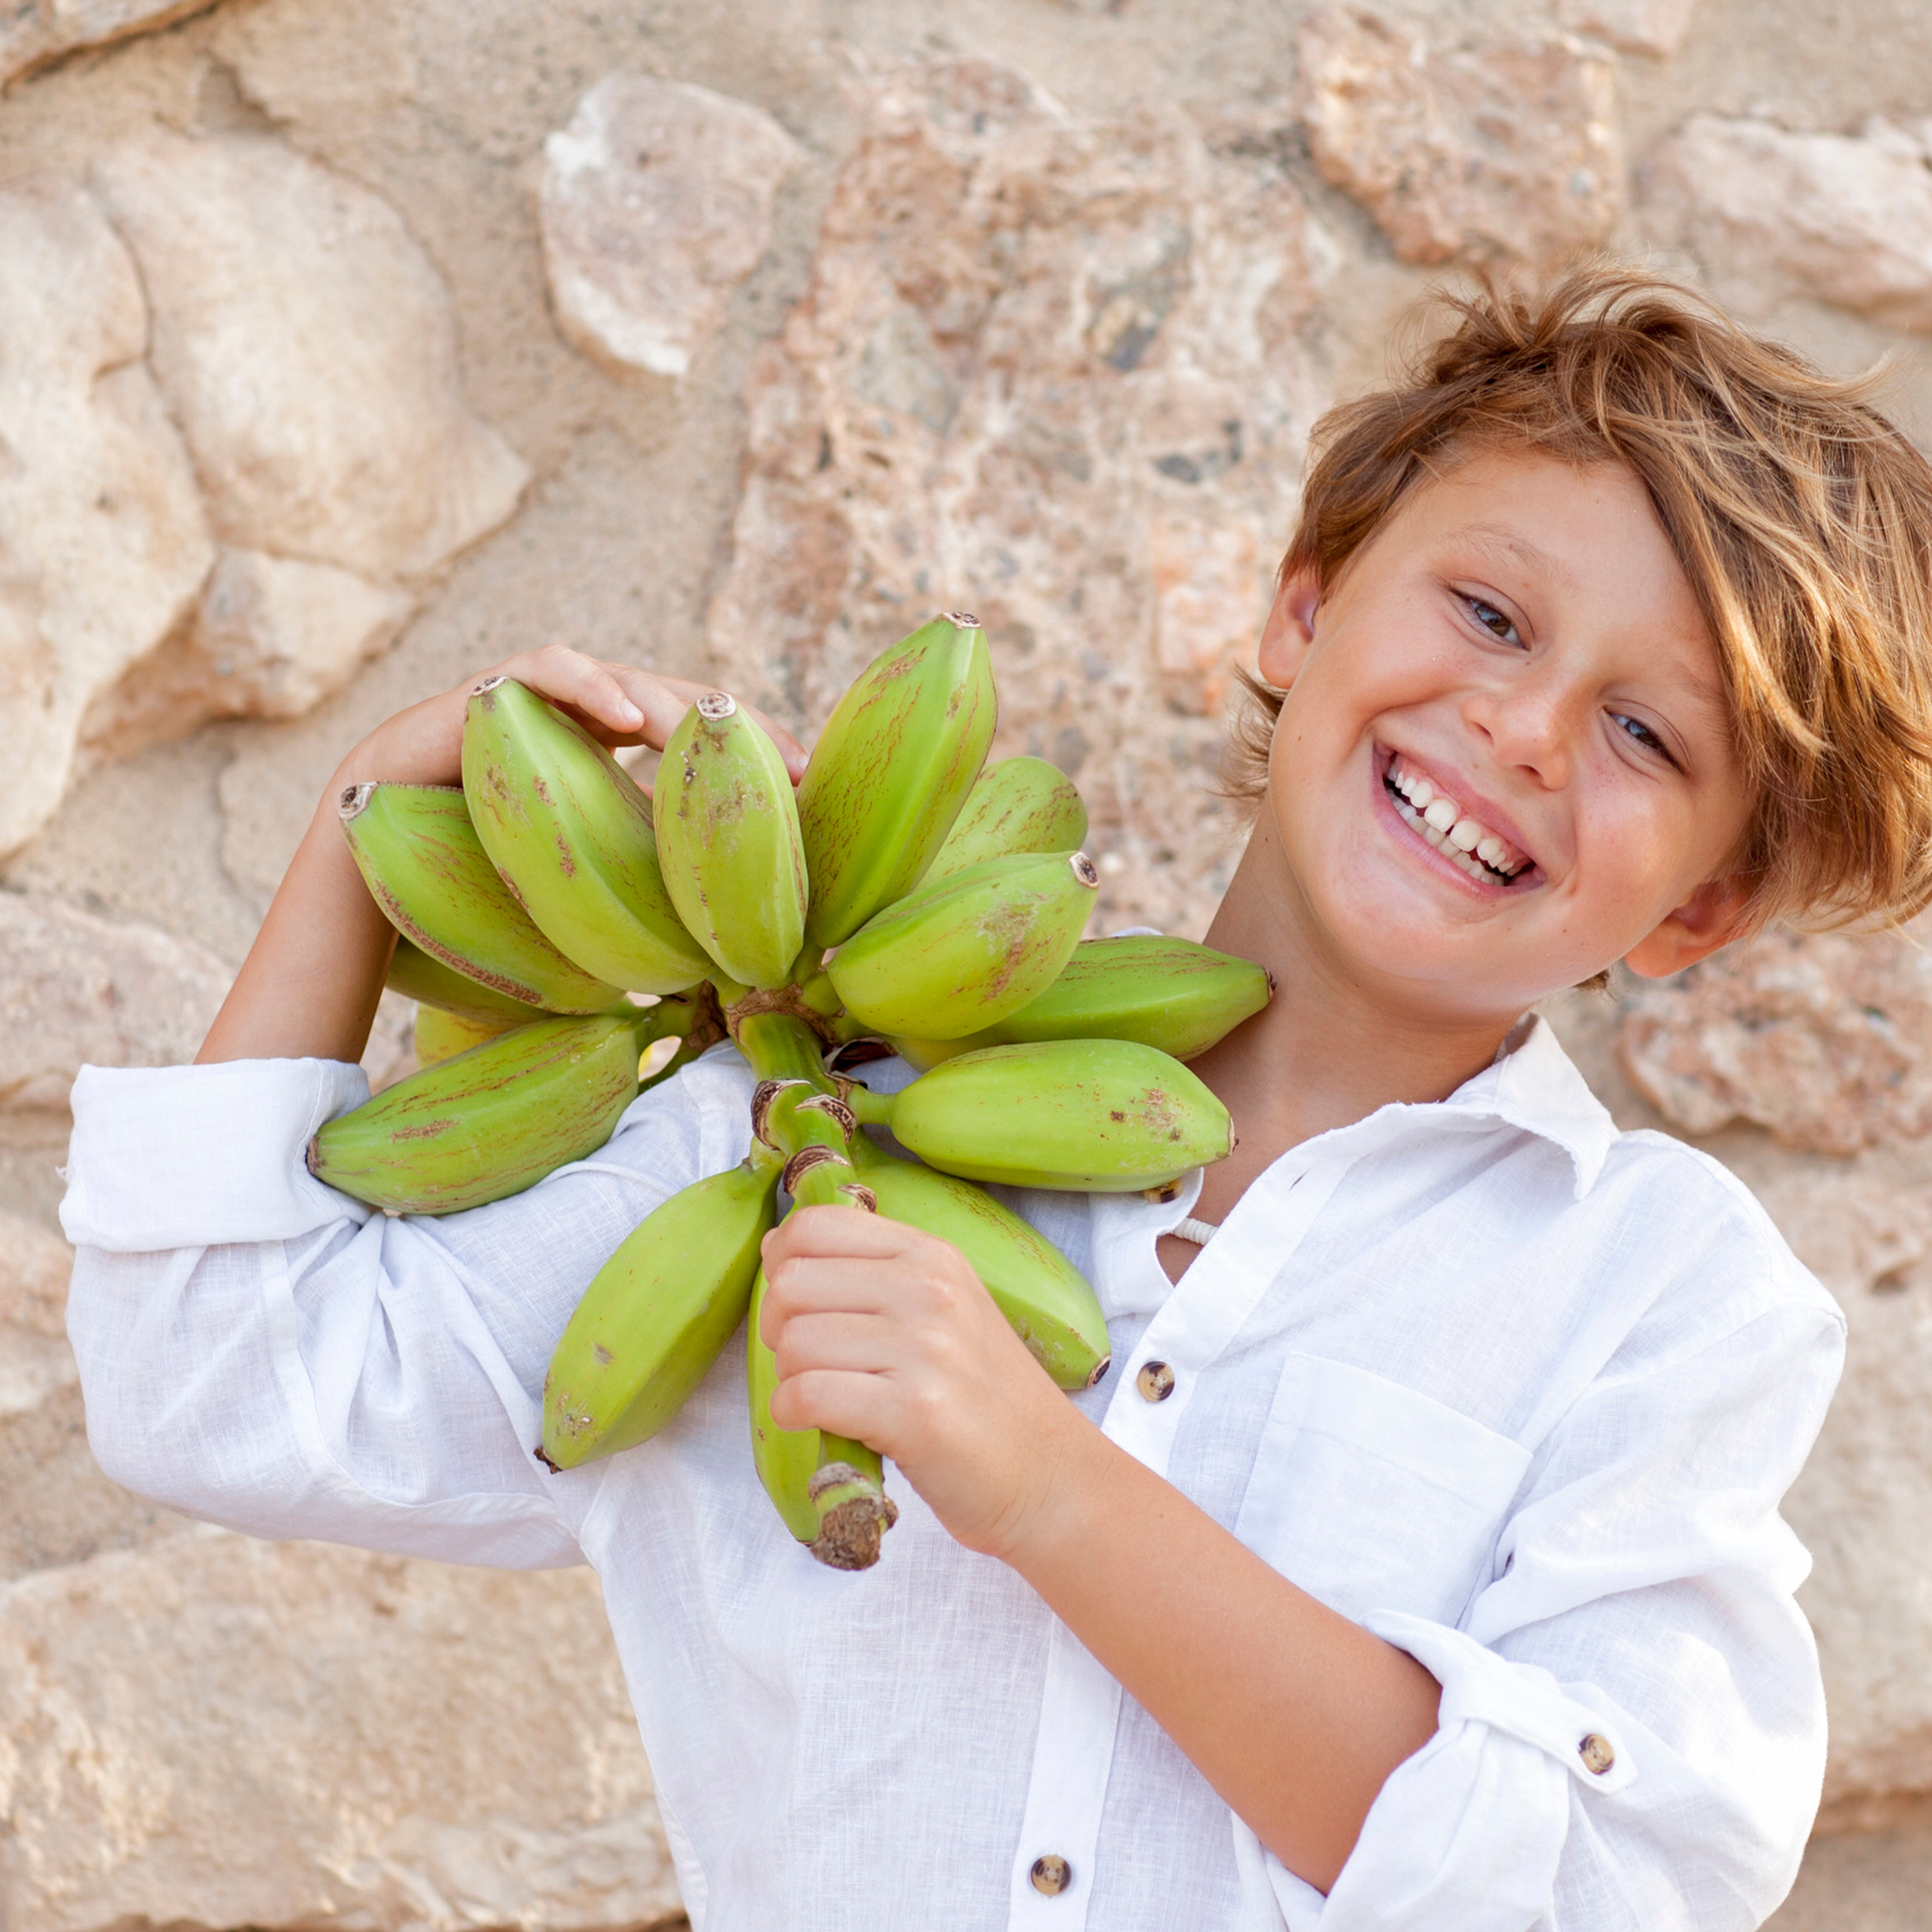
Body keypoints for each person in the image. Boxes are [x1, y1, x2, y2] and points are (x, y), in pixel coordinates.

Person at [60, 265, 1932, 1931]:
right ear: (1298, 609)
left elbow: (1604, 1878)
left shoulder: (1659, 1295)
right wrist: (360, 835)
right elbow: (213, 1381)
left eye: (1642, 733)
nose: (1523, 730)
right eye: (1490, 613)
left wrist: (1045, 1485)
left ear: (1696, 905)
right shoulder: (788, 1144)